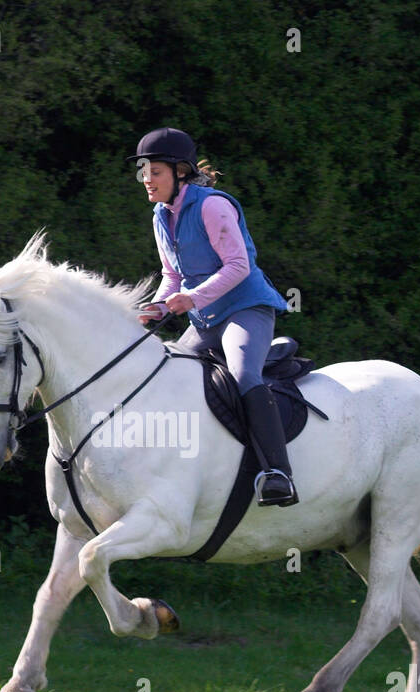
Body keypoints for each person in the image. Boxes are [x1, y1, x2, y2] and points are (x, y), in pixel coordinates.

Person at [128, 127, 298, 506]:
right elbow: (172, 276)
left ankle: (278, 473)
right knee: (164, 372)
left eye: (155, 171)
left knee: (242, 375)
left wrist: (191, 298)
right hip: (204, 321)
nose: (146, 180)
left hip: (246, 309)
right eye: (143, 172)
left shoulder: (212, 206)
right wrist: (155, 306)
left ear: (180, 171)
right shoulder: (161, 215)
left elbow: (238, 266)